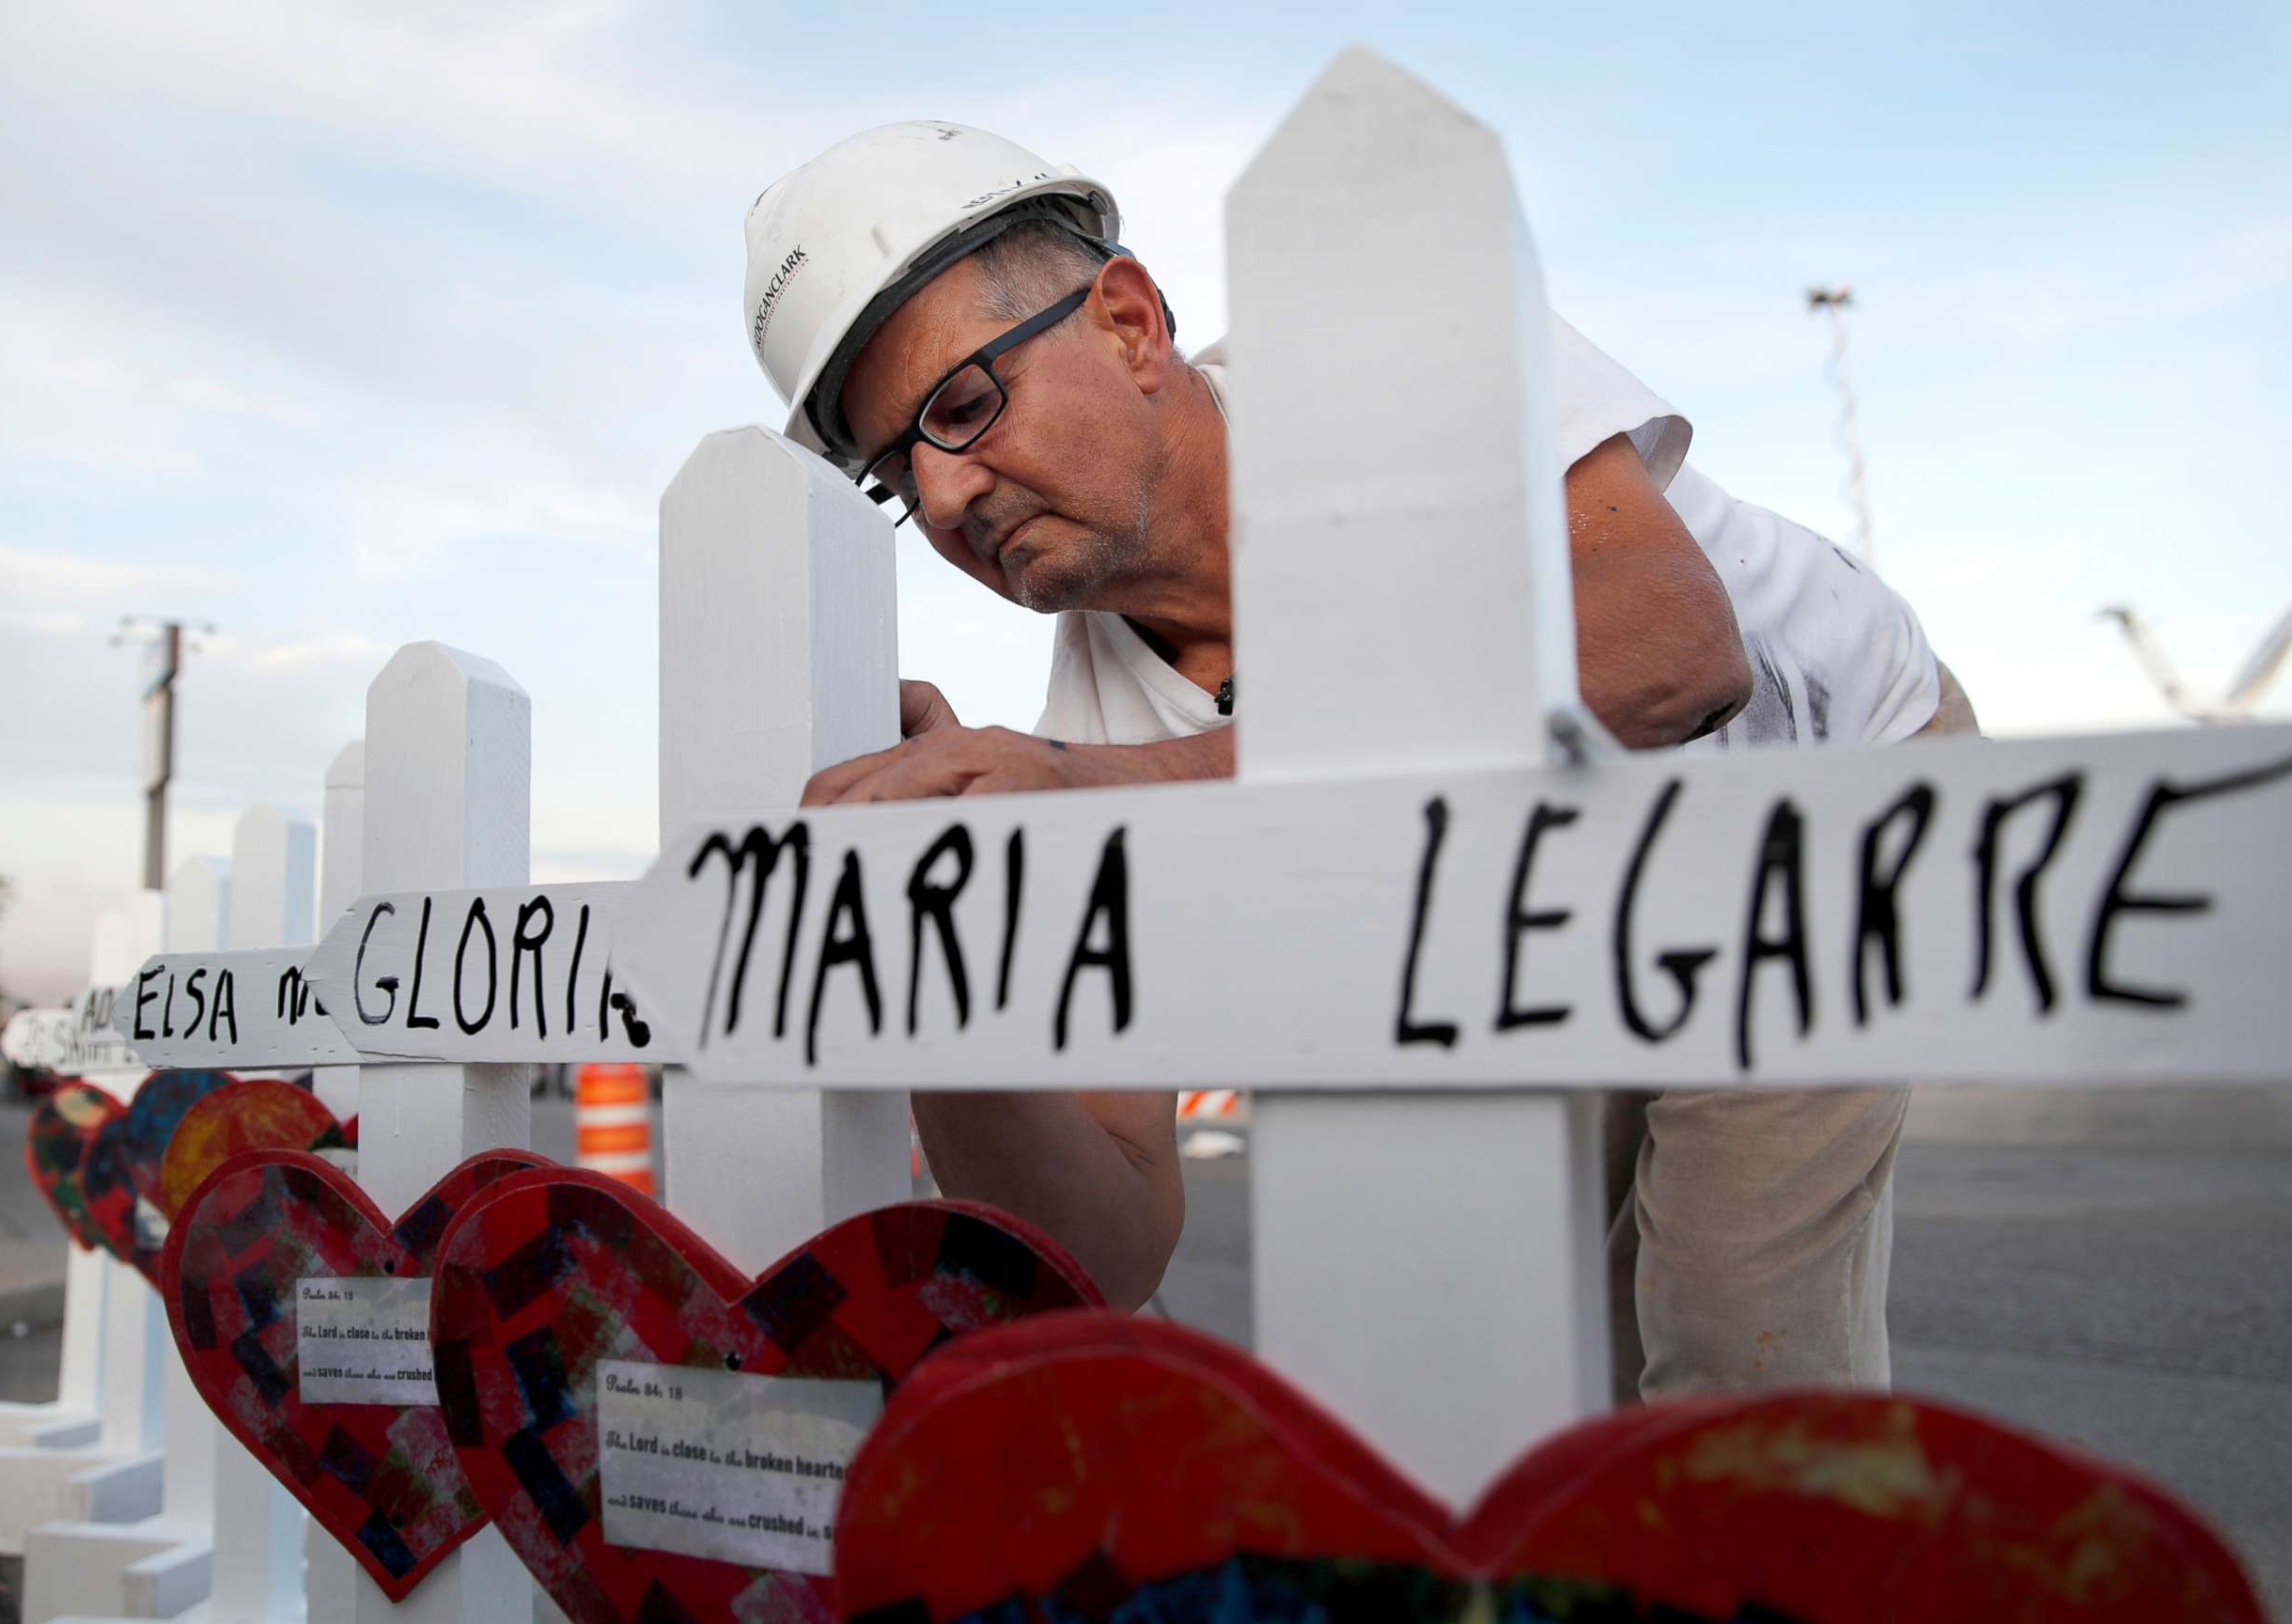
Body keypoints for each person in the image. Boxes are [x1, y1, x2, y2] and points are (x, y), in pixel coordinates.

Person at [741, 121, 1977, 1401]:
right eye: (897, 470)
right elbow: (1105, 1244)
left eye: (961, 406)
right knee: (1540, 1359)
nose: (943, 501)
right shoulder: (1098, 724)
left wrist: (1110, 797)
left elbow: (1669, 655)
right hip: (1551, 897)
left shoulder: (1391, 354)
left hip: (1800, 791)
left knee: (1732, 1340)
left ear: (1126, 322)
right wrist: (952, 956)